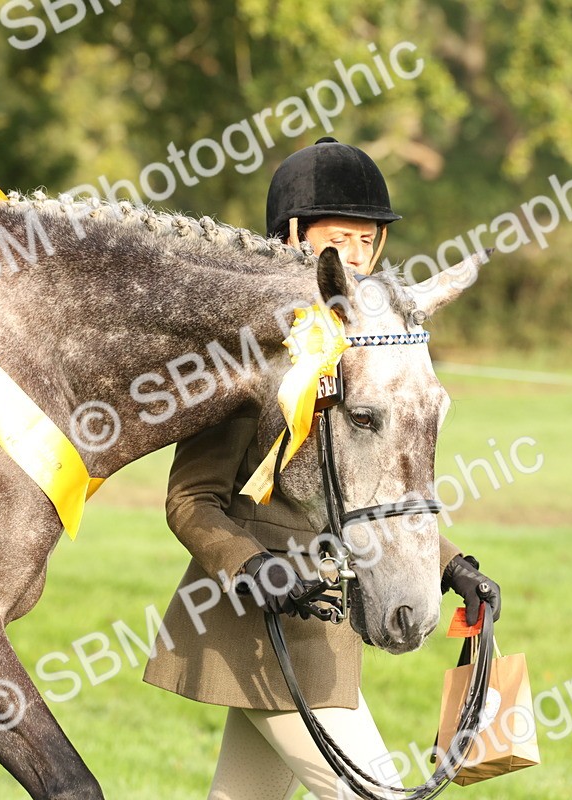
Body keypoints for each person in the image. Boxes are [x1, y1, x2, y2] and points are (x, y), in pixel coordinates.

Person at [143, 137, 501, 800]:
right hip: (264, 625)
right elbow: (191, 499)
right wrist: (249, 567)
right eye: (343, 241)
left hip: (327, 631)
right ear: (294, 236)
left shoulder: (361, 361)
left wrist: (454, 567)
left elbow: (372, 490)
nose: (358, 259)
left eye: (368, 242)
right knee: (380, 796)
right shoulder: (251, 354)